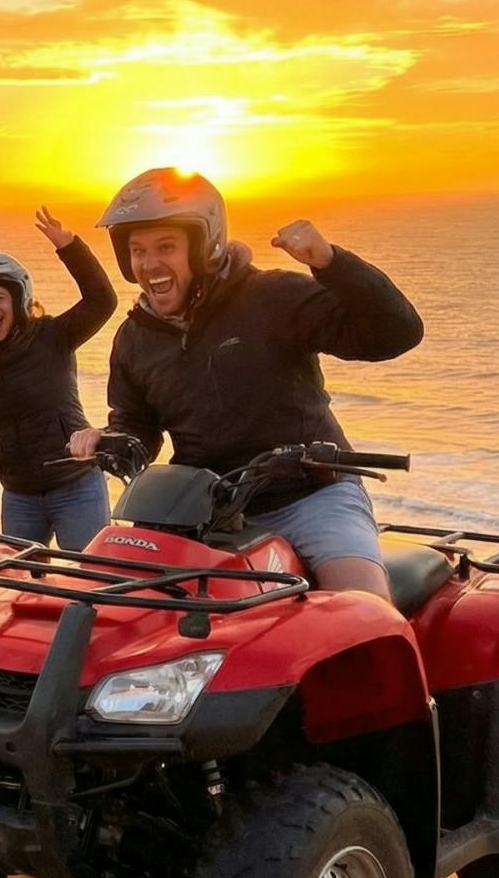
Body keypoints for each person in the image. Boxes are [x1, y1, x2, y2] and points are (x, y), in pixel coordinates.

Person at [69, 168, 424, 598]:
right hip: (206, 513)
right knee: (132, 608)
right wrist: (112, 441)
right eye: (138, 250)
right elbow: (137, 423)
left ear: (204, 248)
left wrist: (330, 263)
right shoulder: (134, 338)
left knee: (360, 608)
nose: (149, 264)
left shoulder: (269, 297)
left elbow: (396, 333)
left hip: (312, 497)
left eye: (166, 247)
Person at [0, 208, 118, 550]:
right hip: (19, 494)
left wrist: (70, 247)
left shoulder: (52, 335)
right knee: (18, 587)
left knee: (94, 579)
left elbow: (102, 300)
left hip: (74, 484)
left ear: (18, 301)